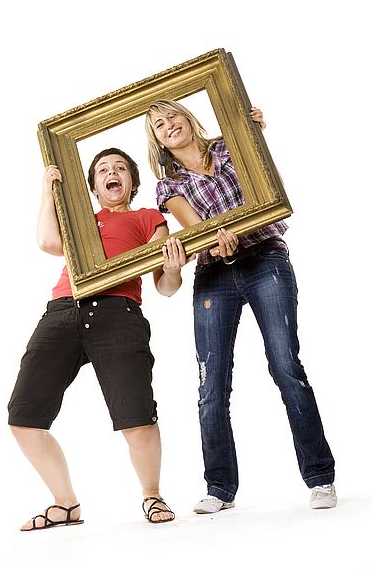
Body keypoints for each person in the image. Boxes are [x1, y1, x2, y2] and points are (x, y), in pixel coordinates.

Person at [144, 100, 337, 513]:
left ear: (187, 117)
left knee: (286, 365)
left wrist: (254, 138)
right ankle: (220, 488)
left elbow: (269, 191)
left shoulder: (232, 146)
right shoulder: (169, 185)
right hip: (214, 274)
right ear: (156, 139)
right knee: (211, 385)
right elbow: (198, 228)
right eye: (158, 125)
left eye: (172, 116)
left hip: (265, 258)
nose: (168, 125)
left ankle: (320, 478)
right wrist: (216, 240)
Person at [8, 147, 188, 529]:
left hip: (118, 314)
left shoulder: (148, 217)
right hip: (61, 312)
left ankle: (152, 495)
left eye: (121, 168)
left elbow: (166, 286)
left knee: (136, 417)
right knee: (23, 418)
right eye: (104, 169)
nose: (113, 173)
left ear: (132, 181)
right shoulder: (81, 221)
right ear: (93, 184)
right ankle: (66, 504)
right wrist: (46, 190)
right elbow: (46, 242)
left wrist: (173, 270)